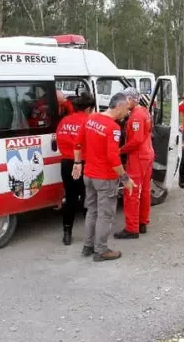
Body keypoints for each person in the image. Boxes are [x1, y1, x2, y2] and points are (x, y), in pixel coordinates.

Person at [73, 93, 135, 262]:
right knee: (105, 215)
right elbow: (113, 158)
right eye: (126, 109)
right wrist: (125, 178)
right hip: (105, 178)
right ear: (119, 106)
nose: (127, 113)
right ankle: (101, 250)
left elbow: (77, 143)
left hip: (89, 175)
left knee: (92, 211)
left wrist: (77, 163)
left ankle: (88, 246)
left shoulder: (91, 118)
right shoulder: (113, 128)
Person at [114, 88, 155, 239]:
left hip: (138, 157)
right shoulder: (144, 111)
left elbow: (136, 140)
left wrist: (120, 150)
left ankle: (132, 228)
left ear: (130, 99)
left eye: (124, 100)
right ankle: (142, 222)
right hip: (147, 154)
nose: (123, 103)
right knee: (144, 191)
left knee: (130, 191)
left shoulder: (136, 116)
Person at [56, 91, 95, 245]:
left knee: (70, 199)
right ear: (87, 109)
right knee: (87, 198)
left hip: (66, 164)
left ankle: (67, 233)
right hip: (83, 163)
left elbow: (59, 140)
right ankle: (89, 236)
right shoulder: (89, 122)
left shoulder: (64, 121)